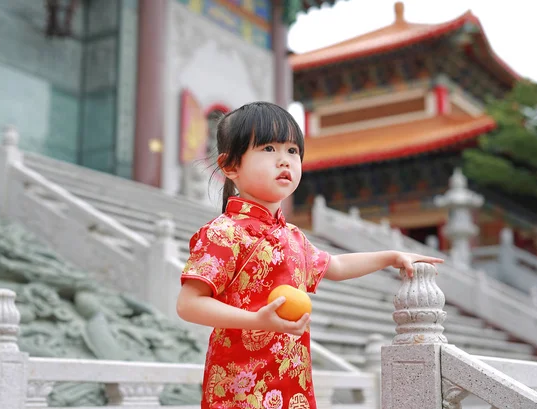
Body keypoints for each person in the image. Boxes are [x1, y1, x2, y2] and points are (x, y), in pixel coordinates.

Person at [176, 101, 444, 409]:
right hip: (239, 391)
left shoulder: (293, 237)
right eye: (268, 149)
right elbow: (189, 304)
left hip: (293, 389)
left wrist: (391, 256)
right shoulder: (224, 232)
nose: (284, 161)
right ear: (230, 166)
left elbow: (338, 265)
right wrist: (255, 320)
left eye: (292, 151)